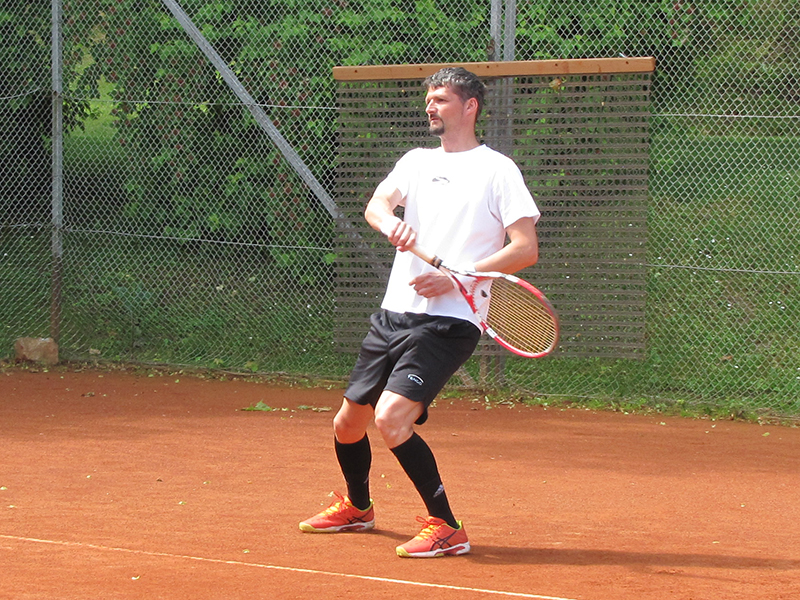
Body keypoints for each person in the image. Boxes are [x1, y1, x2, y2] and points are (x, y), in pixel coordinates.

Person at [299, 67, 540, 558]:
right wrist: (389, 223)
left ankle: (447, 526)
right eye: (429, 99)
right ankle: (359, 508)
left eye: (441, 99)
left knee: (391, 418)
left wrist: (458, 277)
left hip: (450, 320)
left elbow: (524, 248)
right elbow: (377, 204)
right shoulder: (416, 161)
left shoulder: (498, 170)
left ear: (470, 106)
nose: (431, 106)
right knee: (347, 424)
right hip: (394, 314)